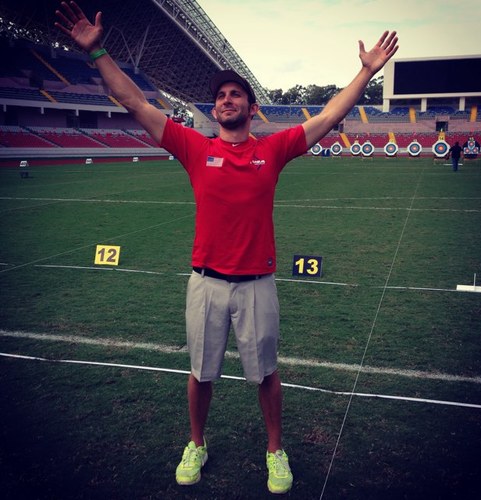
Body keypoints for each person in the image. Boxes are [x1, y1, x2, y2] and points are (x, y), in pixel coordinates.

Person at [55, 1, 398, 494]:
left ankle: (275, 451)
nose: (227, 99)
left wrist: (364, 74)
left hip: (258, 283)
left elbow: (329, 114)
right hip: (206, 282)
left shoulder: (273, 150)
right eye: (221, 95)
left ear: (251, 107)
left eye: (237, 94)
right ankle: (196, 443)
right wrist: (98, 53)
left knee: (266, 376)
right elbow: (134, 102)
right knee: (201, 372)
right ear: (214, 107)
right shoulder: (195, 147)